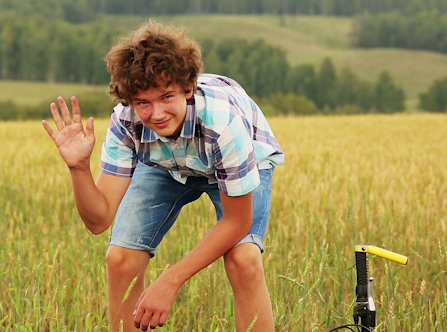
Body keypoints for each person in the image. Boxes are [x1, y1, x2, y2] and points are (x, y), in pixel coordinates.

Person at [42, 19, 284, 332]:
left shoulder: (222, 124)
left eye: (167, 97)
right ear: (130, 101)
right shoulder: (126, 123)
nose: (156, 113)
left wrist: (169, 281)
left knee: (243, 260)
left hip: (238, 156)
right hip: (166, 164)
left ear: (188, 89)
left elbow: (237, 221)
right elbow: (98, 221)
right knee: (120, 260)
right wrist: (78, 168)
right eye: (143, 102)